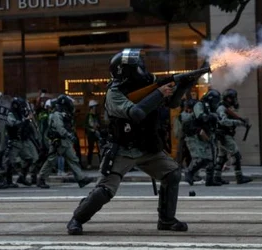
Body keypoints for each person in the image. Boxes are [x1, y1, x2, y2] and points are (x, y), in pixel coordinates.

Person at [66, 48, 188, 235]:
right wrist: (160, 93)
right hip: (123, 148)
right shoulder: (114, 93)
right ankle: (77, 218)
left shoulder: (150, 82)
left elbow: (172, 104)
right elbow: (137, 113)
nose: (143, 68)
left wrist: (184, 86)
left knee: (172, 174)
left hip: (147, 146)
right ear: (129, 71)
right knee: (105, 190)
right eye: (138, 66)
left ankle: (166, 220)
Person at [37, 94, 94, 189]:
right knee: (51, 161)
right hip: (58, 141)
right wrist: (69, 135)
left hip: (64, 142)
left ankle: (81, 179)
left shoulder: (63, 114)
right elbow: (60, 128)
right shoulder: (56, 114)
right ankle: (41, 179)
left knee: (73, 159)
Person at [183, 89, 221, 186]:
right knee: (201, 157)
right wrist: (212, 116)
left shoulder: (211, 108)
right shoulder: (199, 105)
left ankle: (210, 180)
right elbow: (201, 117)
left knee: (211, 158)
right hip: (196, 133)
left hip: (207, 134)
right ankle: (189, 173)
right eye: (215, 101)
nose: (216, 104)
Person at [215, 89, 253, 185]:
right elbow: (223, 121)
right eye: (233, 98)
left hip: (224, 135)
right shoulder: (221, 108)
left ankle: (216, 177)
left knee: (222, 157)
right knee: (235, 154)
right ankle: (239, 177)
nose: (235, 100)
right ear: (228, 98)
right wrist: (239, 122)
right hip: (224, 135)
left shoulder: (225, 108)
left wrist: (241, 121)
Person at [4, 97, 39, 187]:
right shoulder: (10, 114)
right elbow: (14, 125)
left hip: (22, 140)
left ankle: (22, 177)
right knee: (10, 162)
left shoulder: (21, 114)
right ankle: (8, 181)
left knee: (29, 158)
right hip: (14, 140)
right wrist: (26, 120)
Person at [85, 100, 100, 169]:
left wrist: (98, 126)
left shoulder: (96, 115)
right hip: (91, 134)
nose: (96, 108)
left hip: (97, 134)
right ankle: (89, 163)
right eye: (95, 107)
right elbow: (86, 126)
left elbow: (100, 124)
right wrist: (91, 129)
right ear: (92, 107)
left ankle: (101, 163)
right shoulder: (88, 116)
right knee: (90, 149)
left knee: (99, 149)